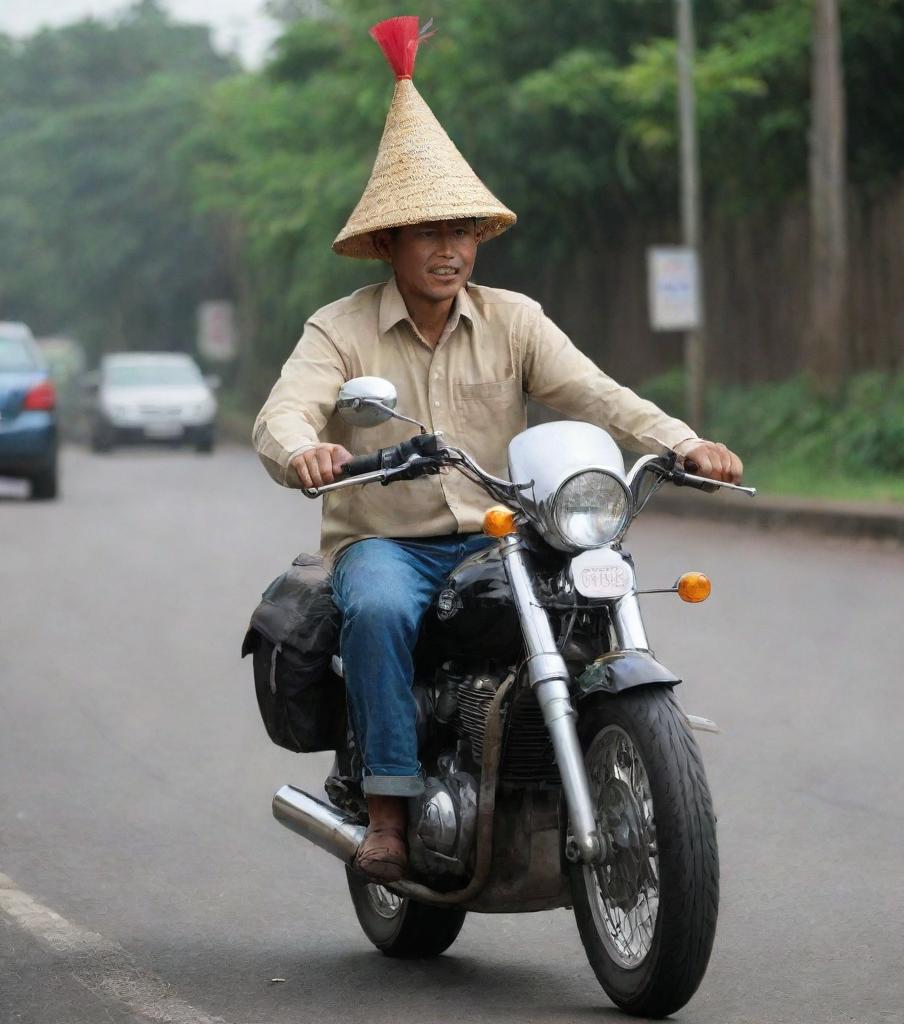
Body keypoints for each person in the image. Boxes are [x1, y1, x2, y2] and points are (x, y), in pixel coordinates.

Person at [253, 16, 742, 882]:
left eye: (463, 231)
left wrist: (681, 439)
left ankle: (602, 755)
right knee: (374, 611)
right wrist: (305, 453)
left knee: (596, 587)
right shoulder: (339, 327)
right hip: (389, 544)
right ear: (390, 243)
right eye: (429, 232)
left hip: (500, 533)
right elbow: (285, 413)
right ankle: (393, 810)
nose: (450, 249)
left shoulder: (514, 318)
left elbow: (592, 391)